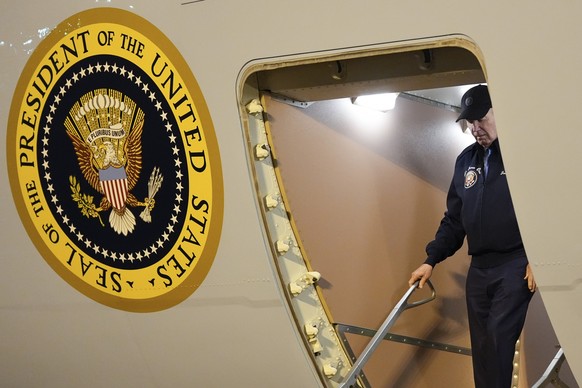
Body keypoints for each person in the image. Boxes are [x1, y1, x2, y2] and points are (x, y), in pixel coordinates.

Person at [407, 84, 536, 388]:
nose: (476, 128)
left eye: (482, 119)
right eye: (470, 122)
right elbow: (454, 220)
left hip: (515, 264)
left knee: (498, 338)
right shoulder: (466, 160)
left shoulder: (523, 154)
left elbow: (545, 211)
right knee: (482, 349)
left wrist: (539, 259)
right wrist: (431, 260)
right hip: (479, 269)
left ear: (499, 113)